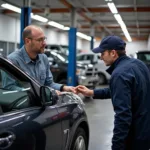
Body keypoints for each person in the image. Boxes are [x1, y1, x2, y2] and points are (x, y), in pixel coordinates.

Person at [76, 35, 150, 150]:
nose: (101, 57)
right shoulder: (139, 64)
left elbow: (123, 115)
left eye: (102, 53)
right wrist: (91, 92)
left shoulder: (120, 74)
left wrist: (117, 145)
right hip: (145, 130)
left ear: (113, 53)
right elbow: (121, 91)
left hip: (134, 136)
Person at [6, 25, 75, 93]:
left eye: (44, 39)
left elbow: (49, 84)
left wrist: (64, 88)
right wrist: (45, 94)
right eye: (40, 40)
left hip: (42, 103)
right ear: (28, 41)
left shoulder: (43, 58)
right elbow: (10, 88)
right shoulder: (13, 60)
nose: (44, 43)